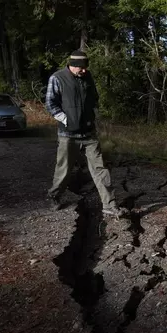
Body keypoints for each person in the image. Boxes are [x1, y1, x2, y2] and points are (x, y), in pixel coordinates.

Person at [45, 50, 127, 218]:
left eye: (85, 67)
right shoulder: (57, 78)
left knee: (100, 170)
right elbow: (50, 103)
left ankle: (109, 205)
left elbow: (94, 98)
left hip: (89, 134)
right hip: (67, 134)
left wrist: (93, 116)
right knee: (64, 169)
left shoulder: (88, 77)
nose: (84, 70)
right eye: (81, 67)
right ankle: (54, 197)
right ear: (72, 65)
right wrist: (66, 120)